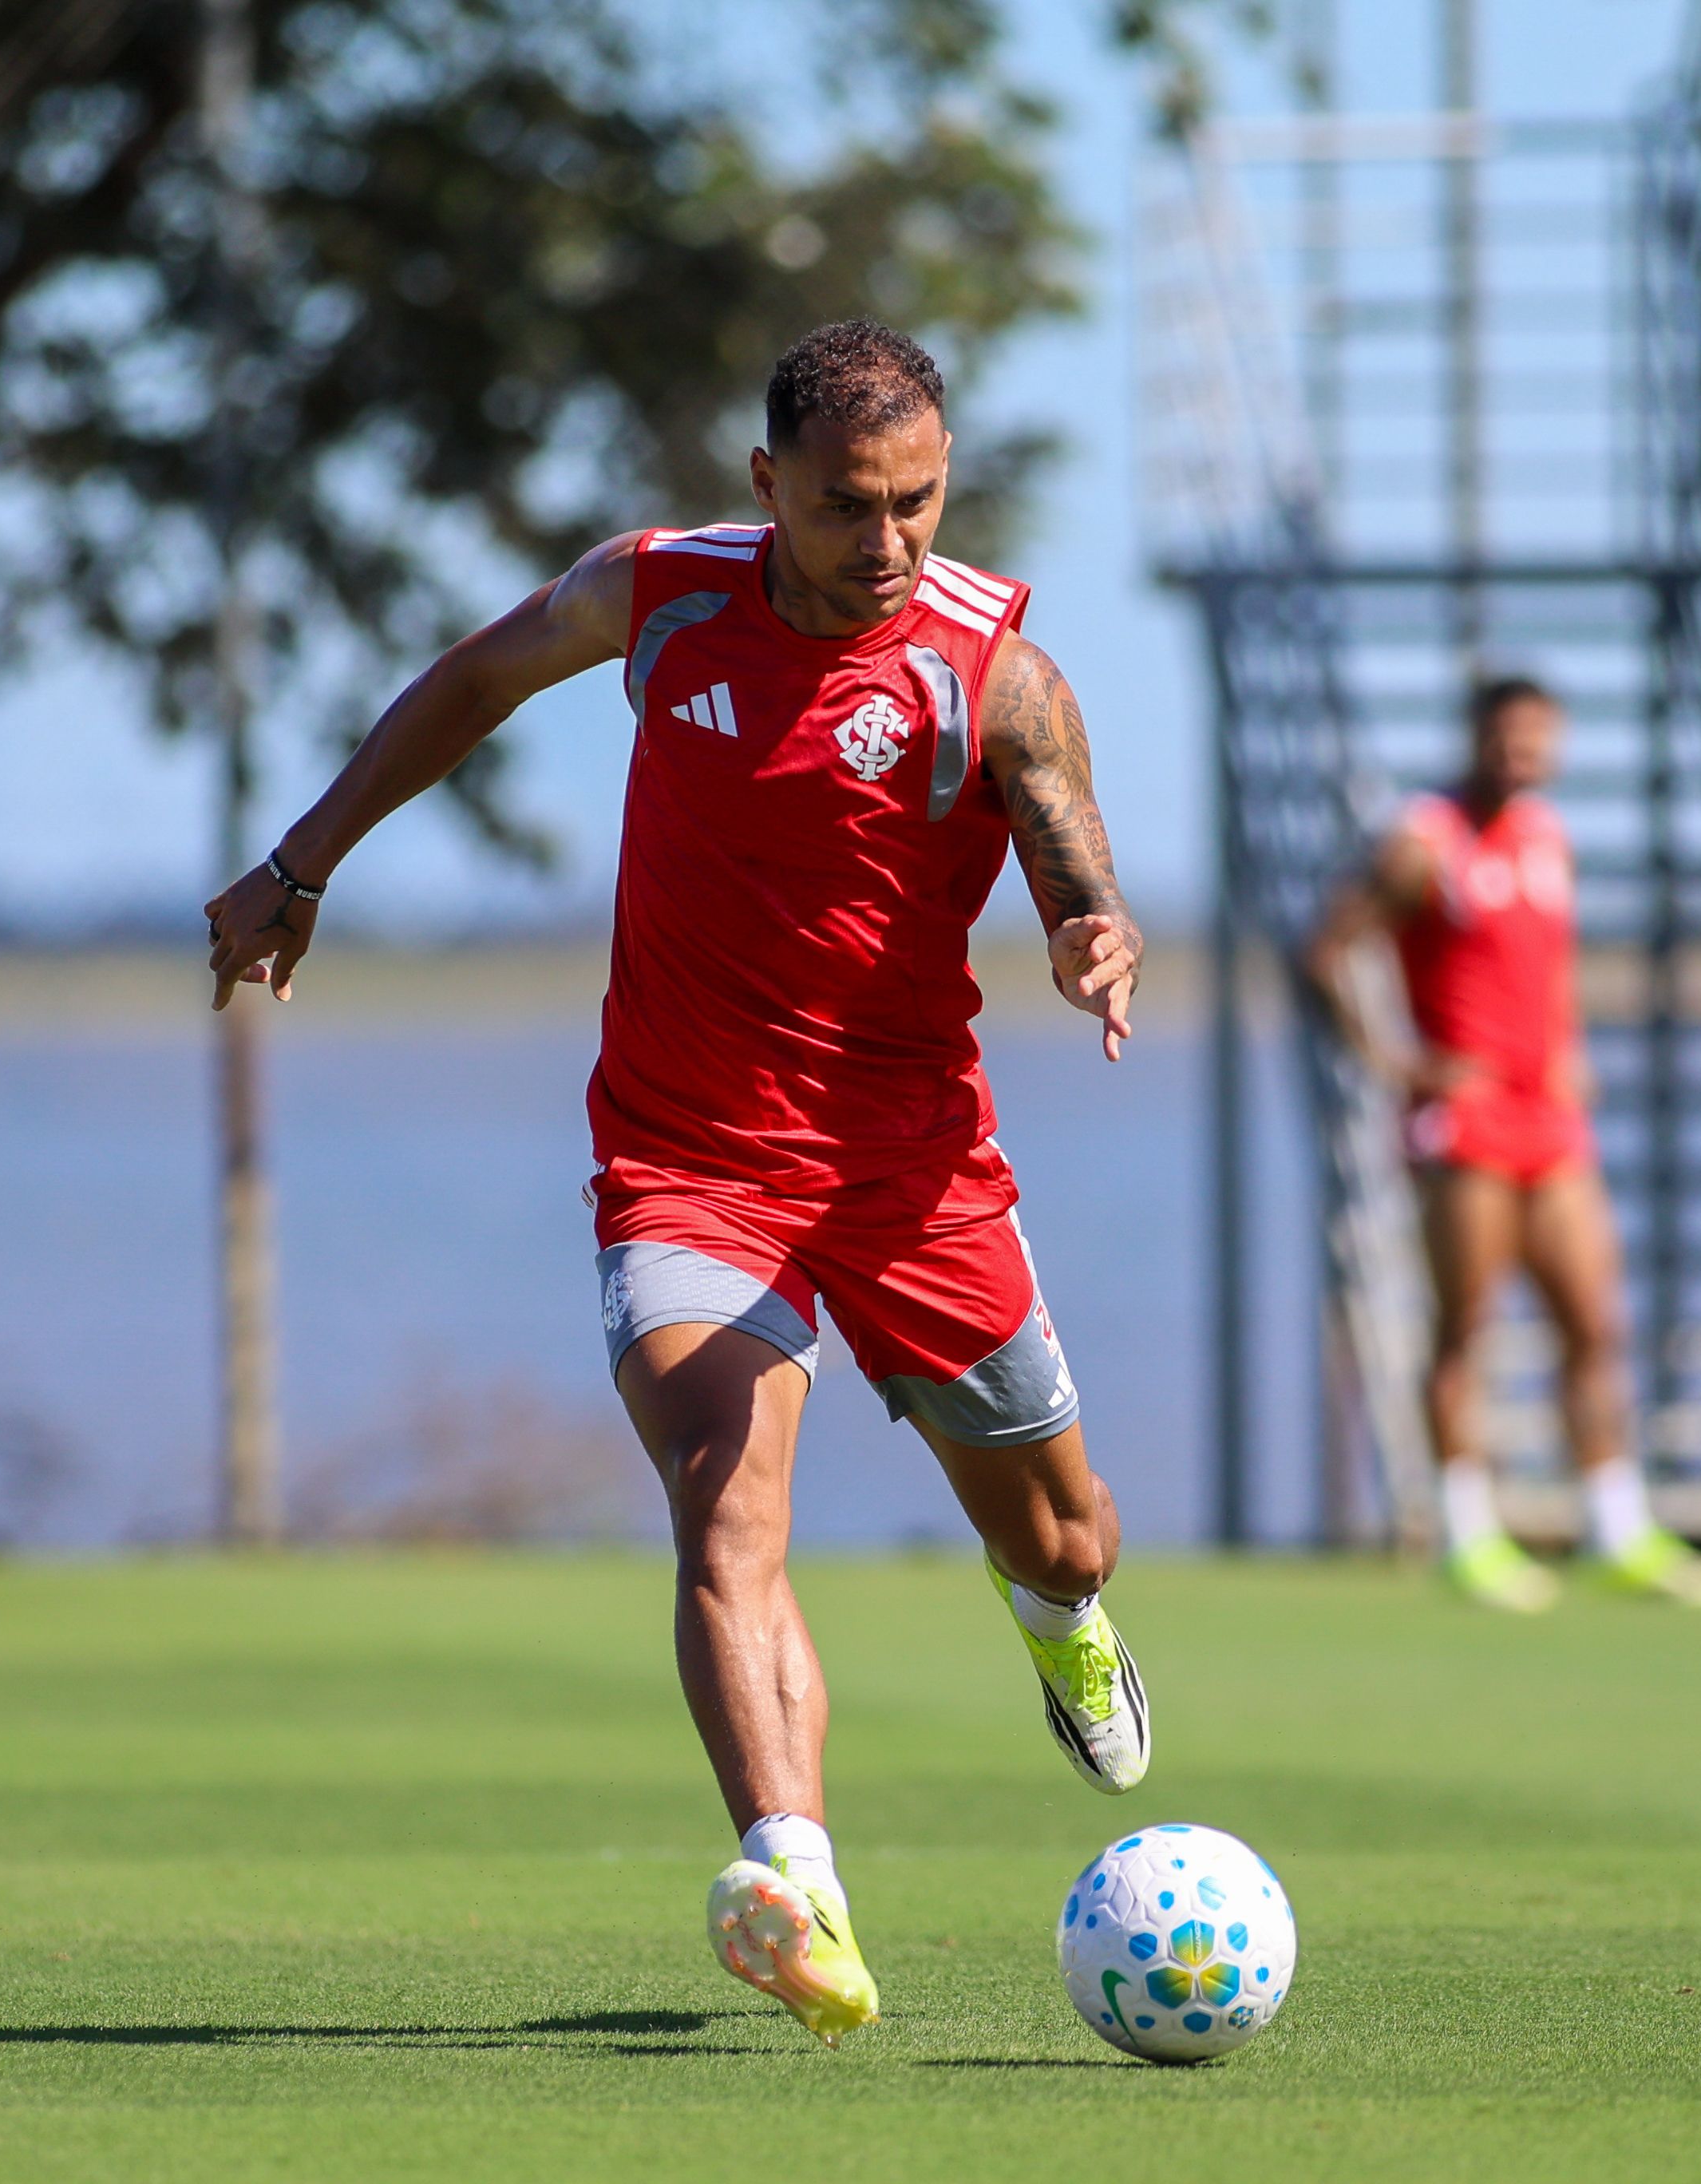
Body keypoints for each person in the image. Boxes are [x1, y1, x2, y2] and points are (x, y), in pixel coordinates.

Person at [204, 322, 1150, 2048]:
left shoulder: (991, 671)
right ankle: (796, 1879)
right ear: (767, 483)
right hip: (688, 1160)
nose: (889, 540)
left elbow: (1069, 853)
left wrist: (1090, 931)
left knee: (1068, 1535)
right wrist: (301, 860)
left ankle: (1058, 1619)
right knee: (726, 1499)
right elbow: (476, 681)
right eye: (848, 505)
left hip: (913, 1172)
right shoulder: (657, 598)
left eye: (918, 500)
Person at [1306, 675, 1701, 1615]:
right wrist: (1403, 1064)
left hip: (1550, 1120)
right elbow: (1329, 949)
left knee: (1594, 1323)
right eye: (1506, 736)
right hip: (1469, 1125)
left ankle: (1617, 1527)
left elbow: (1547, 965)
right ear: (1475, 737)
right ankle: (1466, 1534)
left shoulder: (1548, 838)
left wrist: (1569, 1047)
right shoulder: (1427, 841)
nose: (1521, 754)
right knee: (1465, 1326)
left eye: (1538, 737)